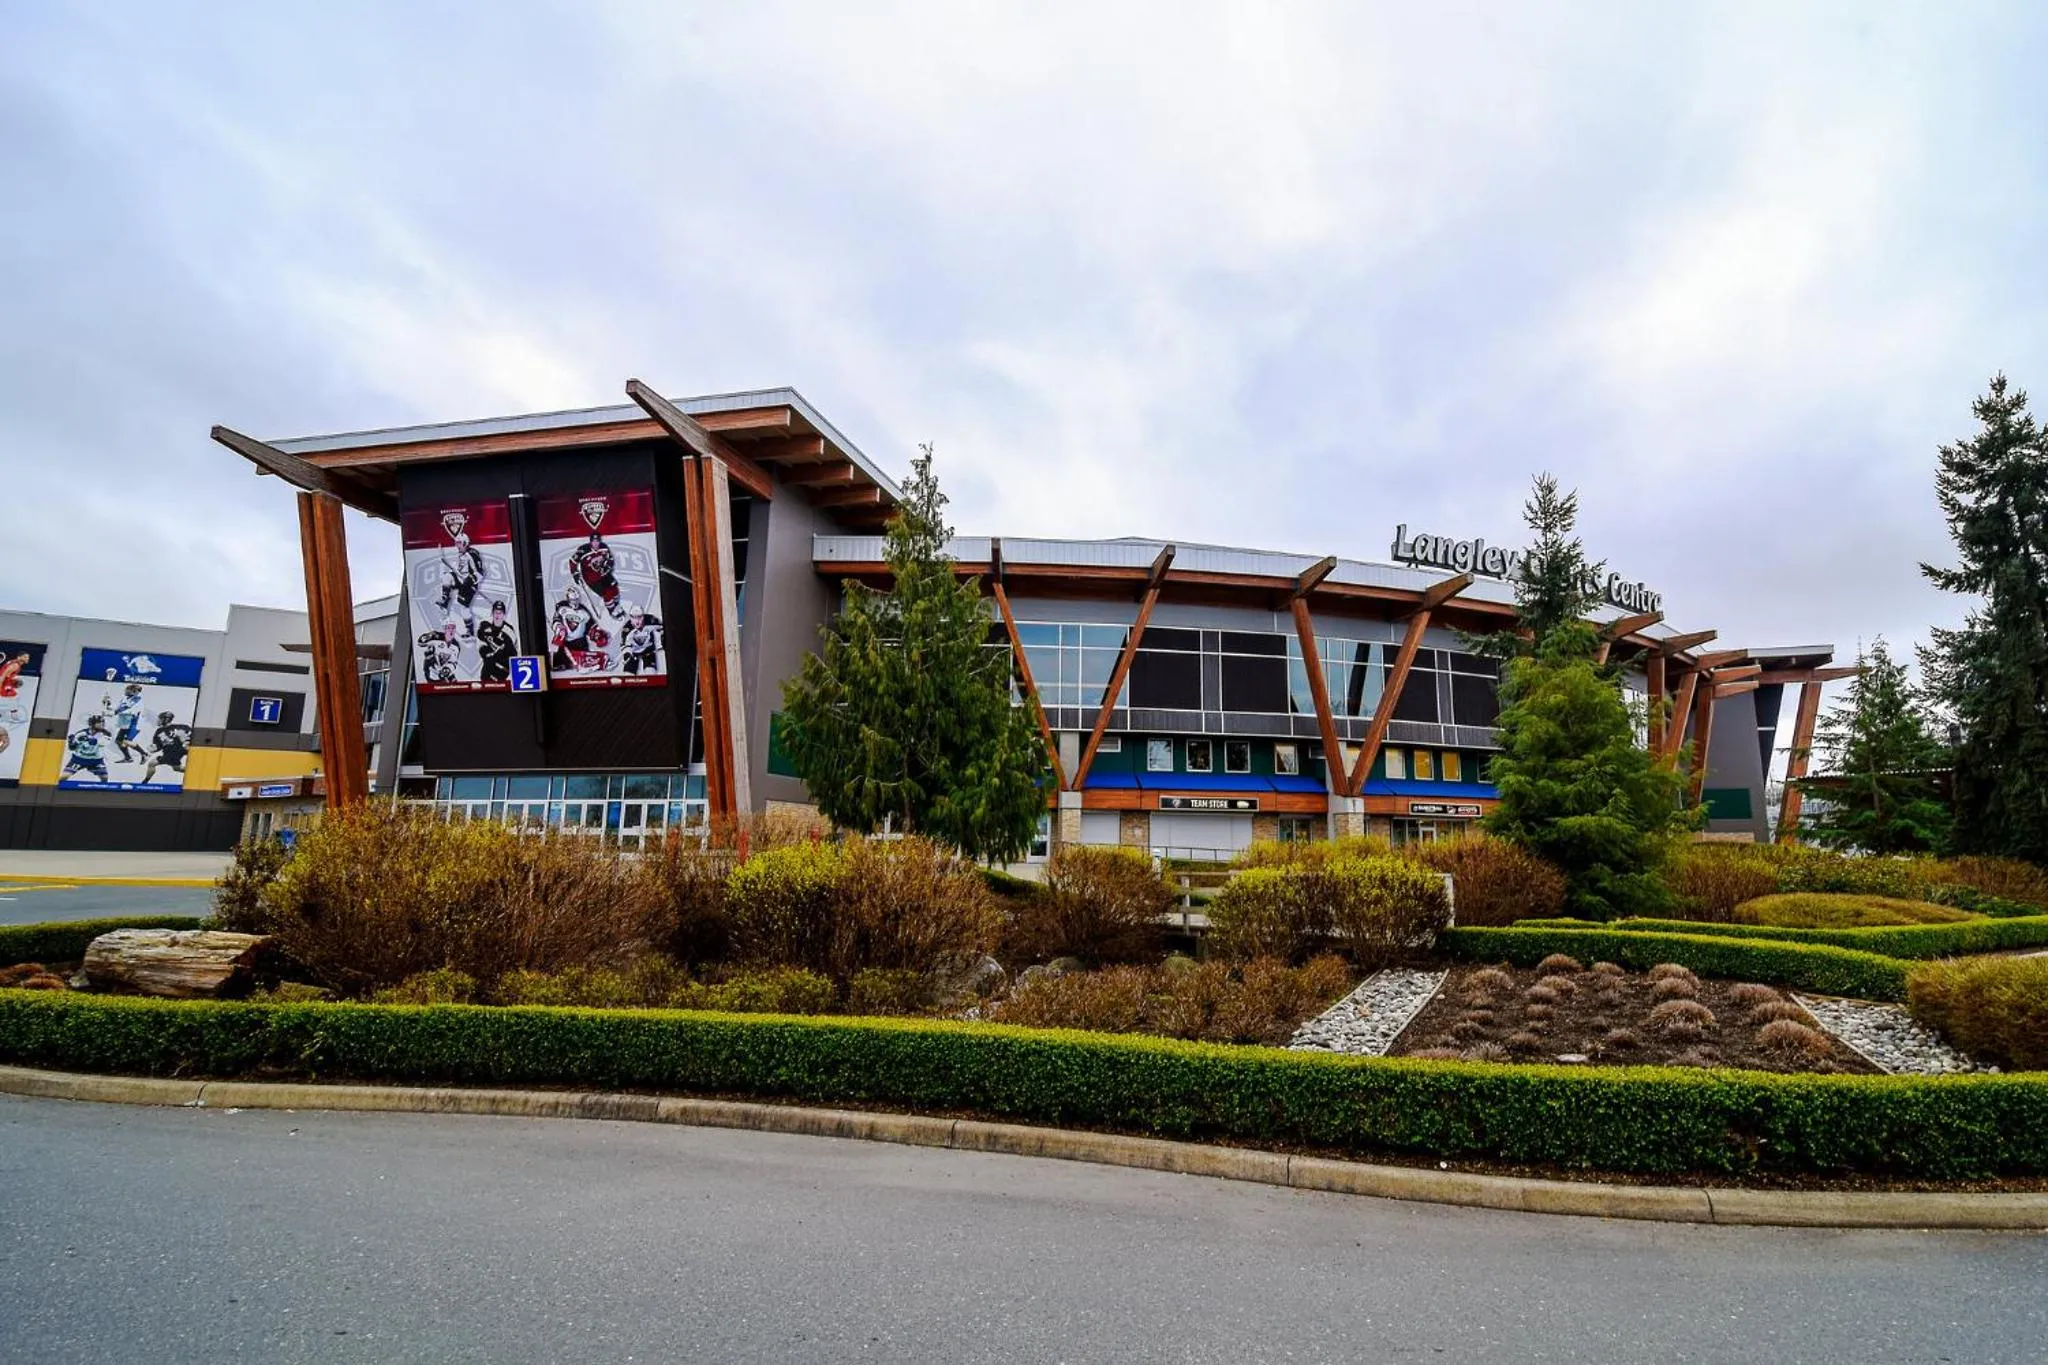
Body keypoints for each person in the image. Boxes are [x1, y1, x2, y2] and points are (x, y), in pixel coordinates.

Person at [437, 532, 486, 637]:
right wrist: (455, 572)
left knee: (463, 608)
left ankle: (470, 630)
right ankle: (445, 599)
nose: (457, 545)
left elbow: (480, 573)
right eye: (456, 543)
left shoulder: (472, 553)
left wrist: (470, 579)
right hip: (461, 580)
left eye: (459, 543)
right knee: (447, 577)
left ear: (465, 543)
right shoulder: (460, 554)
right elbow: (459, 569)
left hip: (470, 584)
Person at [568, 529, 622, 620]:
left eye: (597, 541)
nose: (596, 543)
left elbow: (610, 559)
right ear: (590, 541)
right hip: (591, 579)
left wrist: (608, 566)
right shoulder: (583, 550)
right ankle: (612, 610)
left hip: (603, 573)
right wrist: (575, 574)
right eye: (593, 541)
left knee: (614, 588)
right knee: (606, 593)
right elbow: (572, 561)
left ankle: (616, 605)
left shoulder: (604, 547)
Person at [142, 710, 192, 786]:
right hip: (172, 753)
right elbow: (158, 746)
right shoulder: (160, 731)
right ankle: (194, 772)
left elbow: (190, 735)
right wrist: (153, 748)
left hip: (172, 752)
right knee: (176, 768)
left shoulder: (179, 728)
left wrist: (186, 743)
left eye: (160, 719)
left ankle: (145, 782)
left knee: (152, 763)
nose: (158, 721)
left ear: (166, 719)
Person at [475, 600, 517, 684]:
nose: (497, 615)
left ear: (504, 615)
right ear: (492, 613)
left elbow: (513, 654)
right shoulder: (485, 625)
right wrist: (485, 652)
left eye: (500, 613)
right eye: (496, 612)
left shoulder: (509, 631)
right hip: (488, 664)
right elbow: (479, 640)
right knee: (484, 683)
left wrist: (499, 657)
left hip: (502, 667)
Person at [62, 714, 112, 783]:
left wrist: (88, 739)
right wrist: (71, 742)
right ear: (92, 723)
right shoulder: (81, 733)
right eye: (99, 723)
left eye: (102, 722)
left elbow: (102, 743)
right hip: (78, 759)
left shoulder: (106, 734)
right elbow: (72, 748)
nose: (102, 724)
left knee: (104, 778)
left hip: (96, 761)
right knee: (63, 777)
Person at [620, 603, 664, 675]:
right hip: (633, 653)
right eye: (633, 617)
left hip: (648, 651)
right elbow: (624, 645)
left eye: (639, 617)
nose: (637, 621)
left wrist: (663, 637)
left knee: (651, 674)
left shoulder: (650, 620)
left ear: (643, 616)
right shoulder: (627, 628)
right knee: (628, 676)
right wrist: (628, 653)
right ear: (630, 617)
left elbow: (663, 627)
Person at [110, 683, 148, 765]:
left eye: (128, 689)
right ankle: (128, 758)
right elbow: (117, 708)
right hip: (125, 724)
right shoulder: (125, 699)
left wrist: (117, 712)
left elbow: (131, 711)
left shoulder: (138, 700)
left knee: (126, 741)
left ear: (133, 691)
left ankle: (144, 754)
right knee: (119, 741)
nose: (125, 690)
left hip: (134, 723)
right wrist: (108, 705)